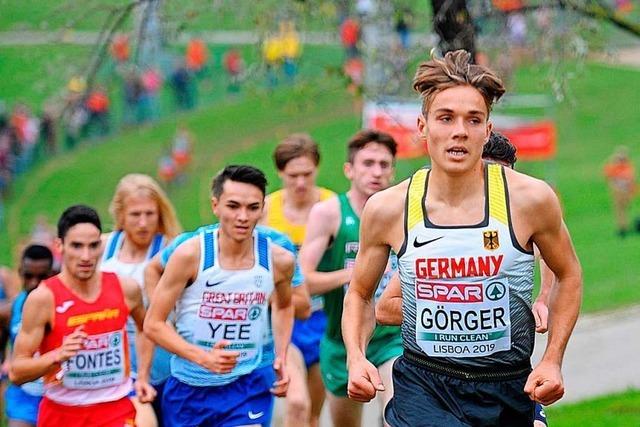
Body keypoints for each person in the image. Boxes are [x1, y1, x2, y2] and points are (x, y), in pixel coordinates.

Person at [342, 50, 582, 426]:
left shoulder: (531, 200)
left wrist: (552, 360)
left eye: (473, 120)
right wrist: (356, 357)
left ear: (487, 131)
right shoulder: (389, 208)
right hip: (424, 384)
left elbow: (569, 274)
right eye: (446, 118)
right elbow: (360, 293)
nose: (459, 131)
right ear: (422, 127)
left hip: (507, 385)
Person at [374, 130, 550, 427]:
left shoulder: (522, 211)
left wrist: (544, 298)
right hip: (438, 380)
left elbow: (558, 262)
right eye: (487, 177)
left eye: (504, 179)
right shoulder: (439, 238)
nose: (495, 188)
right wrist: (451, 309)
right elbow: (385, 307)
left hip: (505, 376)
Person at [144, 165, 295, 426]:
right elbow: (153, 324)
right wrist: (202, 357)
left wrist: (281, 354)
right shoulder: (190, 255)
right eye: (233, 206)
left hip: (247, 385)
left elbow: (283, 306)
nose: (243, 217)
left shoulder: (278, 259)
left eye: (252, 208)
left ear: (263, 209)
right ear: (216, 206)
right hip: (189, 389)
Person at [9, 205, 155, 427]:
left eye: (93, 246)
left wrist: (143, 376)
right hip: (62, 413)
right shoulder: (43, 299)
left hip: (115, 409)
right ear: (60, 246)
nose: (86, 256)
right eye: (77, 246)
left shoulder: (126, 289)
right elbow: (17, 372)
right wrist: (58, 355)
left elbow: (147, 328)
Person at [299, 129, 401, 427]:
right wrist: (355, 277)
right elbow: (302, 279)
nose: (376, 172)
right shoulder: (329, 213)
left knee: (396, 416)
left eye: (384, 165)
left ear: (392, 171)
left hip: (391, 340)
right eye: (368, 163)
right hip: (341, 341)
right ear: (349, 169)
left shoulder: (401, 212)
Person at [262, 134, 334, 427]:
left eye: (307, 174)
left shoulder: (332, 205)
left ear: (317, 168)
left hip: (324, 319)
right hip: (284, 319)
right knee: (296, 404)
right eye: (293, 176)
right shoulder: (265, 211)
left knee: (313, 415)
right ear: (280, 173)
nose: (301, 183)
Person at [101, 174, 181, 427]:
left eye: (150, 214)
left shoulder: (170, 250)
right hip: (114, 366)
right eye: (135, 215)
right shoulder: (102, 248)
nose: (144, 223)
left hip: (165, 365)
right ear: (120, 214)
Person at [4, 244, 55, 427]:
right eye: (28, 276)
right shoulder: (13, 308)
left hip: (57, 395)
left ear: (53, 273)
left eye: (42, 277)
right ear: (20, 273)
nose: (34, 283)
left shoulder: (63, 308)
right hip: (24, 396)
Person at [603, 146, 636, 237]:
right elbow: (608, 175)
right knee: (620, 210)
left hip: (623, 192)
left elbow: (630, 181)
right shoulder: (619, 168)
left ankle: (623, 227)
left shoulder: (625, 168)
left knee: (622, 210)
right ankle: (622, 227)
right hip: (619, 192)